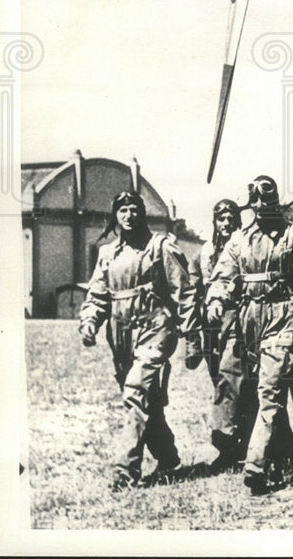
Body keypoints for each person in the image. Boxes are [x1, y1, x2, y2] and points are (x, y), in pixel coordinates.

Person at [79, 191, 198, 490]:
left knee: (135, 393)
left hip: (155, 327)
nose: (129, 215)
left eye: (134, 209)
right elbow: (97, 294)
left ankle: (125, 472)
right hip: (120, 334)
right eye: (123, 210)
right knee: (147, 402)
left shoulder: (161, 246)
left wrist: (194, 336)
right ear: (115, 216)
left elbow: (183, 293)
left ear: (143, 213)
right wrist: (90, 322)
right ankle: (168, 458)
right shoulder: (107, 253)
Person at [206, 175, 293, 494]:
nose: (260, 207)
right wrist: (216, 298)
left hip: (283, 314)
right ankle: (285, 457)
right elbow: (223, 276)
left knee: (270, 388)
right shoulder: (239, 239)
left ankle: (255, 464)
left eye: (266, 202)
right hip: (247, 318)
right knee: (253, 388)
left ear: (276, 203)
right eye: (254, 202)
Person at [187, 198, 256, 470]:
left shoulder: (245, 246)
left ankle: (227, 444)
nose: (227, 223)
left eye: (232, 219)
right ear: (215, 222)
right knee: (220, 379)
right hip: (211, 325)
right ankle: (237, 444)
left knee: (233, 379)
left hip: (239, 320)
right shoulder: (203, 253)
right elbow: (192, 292)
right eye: (222, 219)